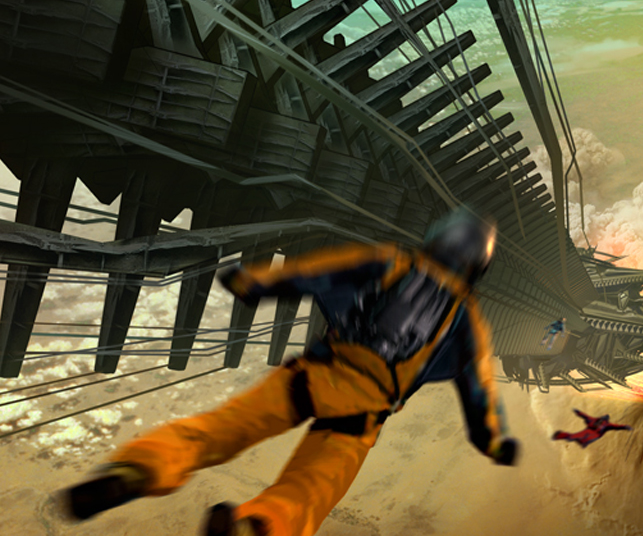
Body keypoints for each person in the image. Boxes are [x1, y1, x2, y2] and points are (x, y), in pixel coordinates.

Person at [62, 208, 519, 536]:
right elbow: (478, 391)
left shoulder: (390, 262)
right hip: (361, 414)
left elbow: (317, 272)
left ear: (437, 237)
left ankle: (136, 470)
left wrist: (254, 283)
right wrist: (493, 442)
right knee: (309, 491)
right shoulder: (467, 321)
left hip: (308, 377)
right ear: (479, 265)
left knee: (217, 430)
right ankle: (255, 527)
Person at [552, 409, 632, 448]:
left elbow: (617, 426)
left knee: (575, 437)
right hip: (590, 433)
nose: (600, 422)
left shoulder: (606, 425)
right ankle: (559, 436)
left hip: (593, 435)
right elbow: (585, 416)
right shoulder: (595, 421)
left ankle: (560, 436)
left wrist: (625, 427)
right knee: (573, 436)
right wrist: (578, 412)